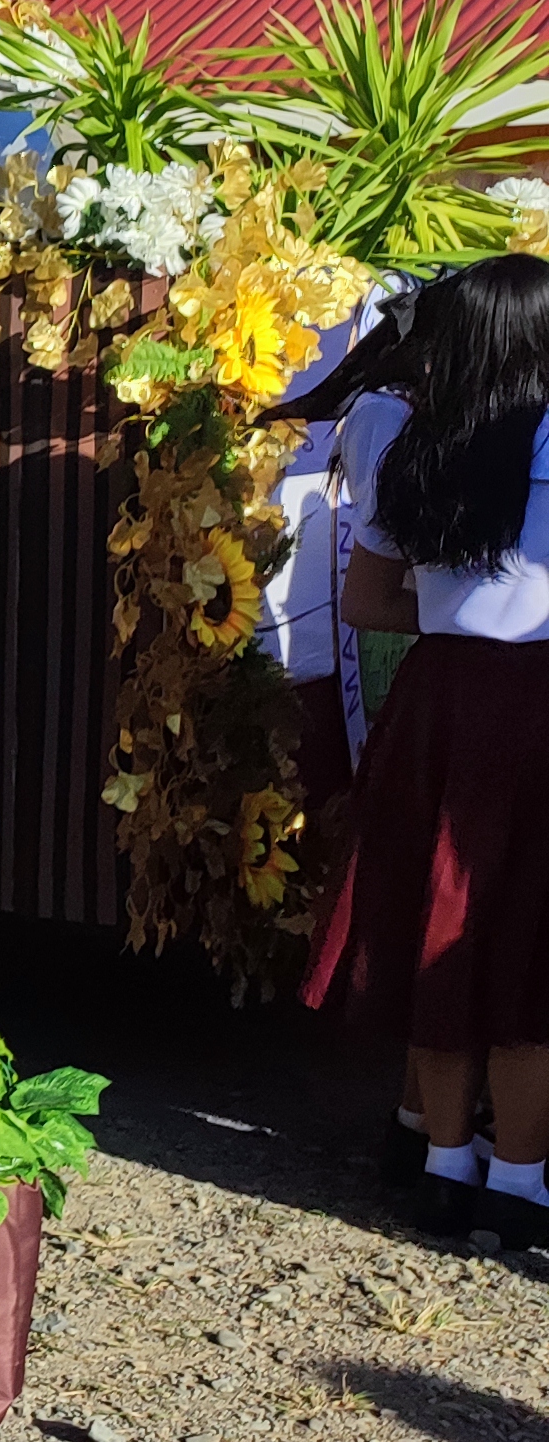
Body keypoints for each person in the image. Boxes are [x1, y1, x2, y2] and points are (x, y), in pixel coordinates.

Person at [294, 254, 549, 1244]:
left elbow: (365, 601)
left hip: (439, 694)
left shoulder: (407, 445)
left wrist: (451, 607)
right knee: (525, 941)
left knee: (436, 917)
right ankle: (520, 1183)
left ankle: (444, 1164)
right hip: (535, 700)